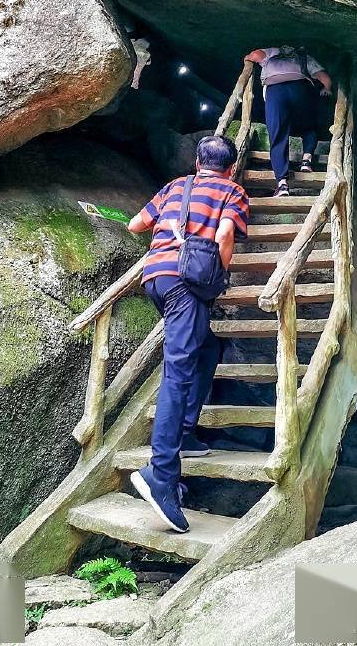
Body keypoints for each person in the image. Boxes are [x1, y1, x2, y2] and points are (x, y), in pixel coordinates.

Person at [126, 134, 249, 533]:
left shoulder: (176, 186)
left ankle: (185, 431)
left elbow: (135, 224)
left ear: (198, 162)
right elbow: (225, 235)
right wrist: (218, 276)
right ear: (229, 167)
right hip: (187, 286)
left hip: (156, 280)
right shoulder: (232, 191)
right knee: (177, 375)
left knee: (208, 347)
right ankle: (160, 474)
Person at [244, 46, 332, 197]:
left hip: (276, 90)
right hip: (301, 89)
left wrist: (247, 57)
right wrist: (327, 88)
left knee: (278, 134)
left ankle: (282, 184)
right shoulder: (303, 57)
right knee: (310, 125)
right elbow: (324, 77)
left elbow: (256, 55)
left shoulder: (272, 52)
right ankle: (306, 160)